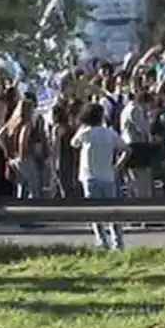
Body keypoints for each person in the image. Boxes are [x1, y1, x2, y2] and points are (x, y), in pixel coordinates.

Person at [70, 103, 129, 251]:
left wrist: (81, 127)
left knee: (94, 212)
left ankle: (102, 241)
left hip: (89, 176)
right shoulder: (110, 133)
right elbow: (126, 149)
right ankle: (118, 242)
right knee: (112, 212)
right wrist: (118, 165)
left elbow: (74, 143)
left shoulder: (85, 133)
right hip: (108, 176)